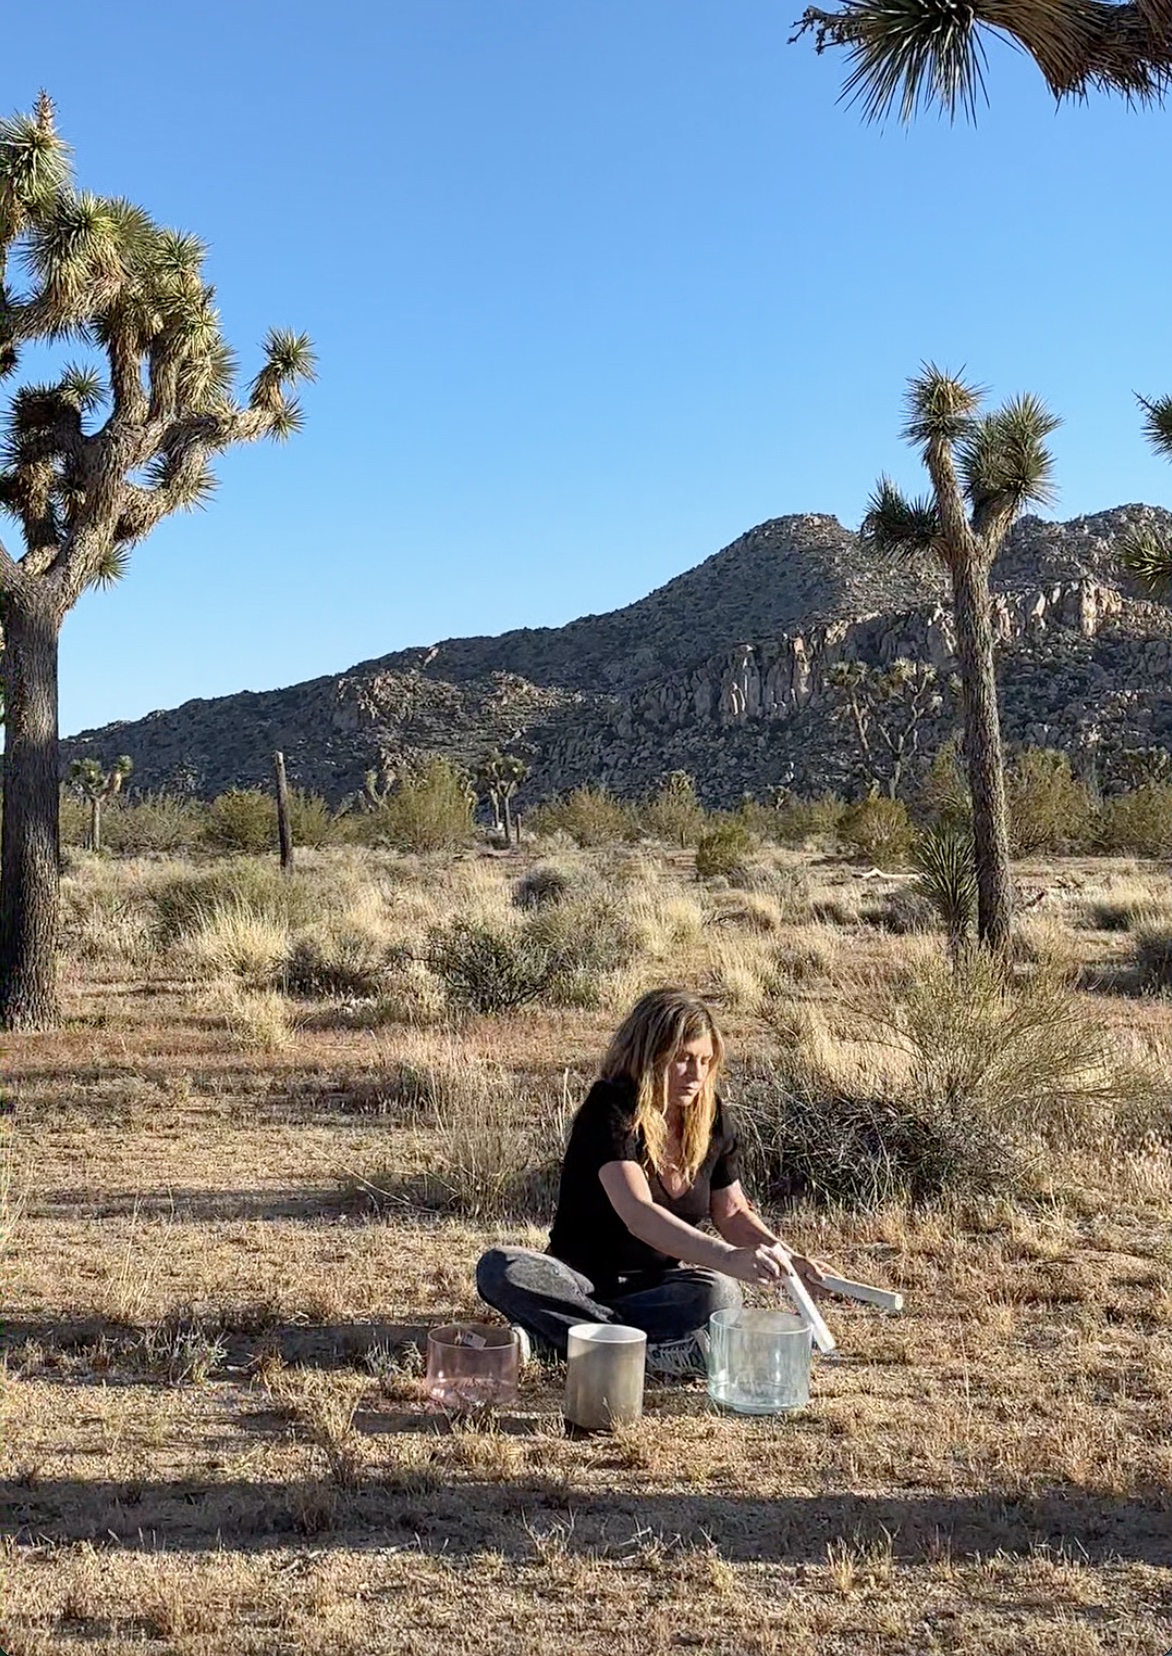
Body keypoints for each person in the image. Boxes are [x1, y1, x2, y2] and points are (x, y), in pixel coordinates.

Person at [476, 986, 825, 1380]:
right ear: (650, 1054)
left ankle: (562, 1338)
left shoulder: (711, 1118)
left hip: (656, 1287)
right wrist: (727, 1256)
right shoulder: (609, 1108)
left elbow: (733, 1212)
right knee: (500, 1268)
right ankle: (639, 1349)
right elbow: (638, 1214)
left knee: (720, 1293)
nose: (696, 1075)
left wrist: (787, 1259)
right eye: (683, 1059)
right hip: (579, 1278)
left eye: (706, 1061)